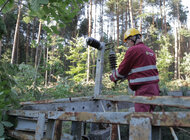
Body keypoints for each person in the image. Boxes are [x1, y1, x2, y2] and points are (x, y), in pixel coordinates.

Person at [110, 28, 160, 112]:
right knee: (150, 117)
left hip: (144, 90)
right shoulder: (150, 51)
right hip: (155, 89)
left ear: (132, 39)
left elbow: (123, 69)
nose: (127, 44)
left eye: (127, 42)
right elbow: (142, 71)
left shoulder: (133, 50)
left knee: (141, 118)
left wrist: (113, 77)